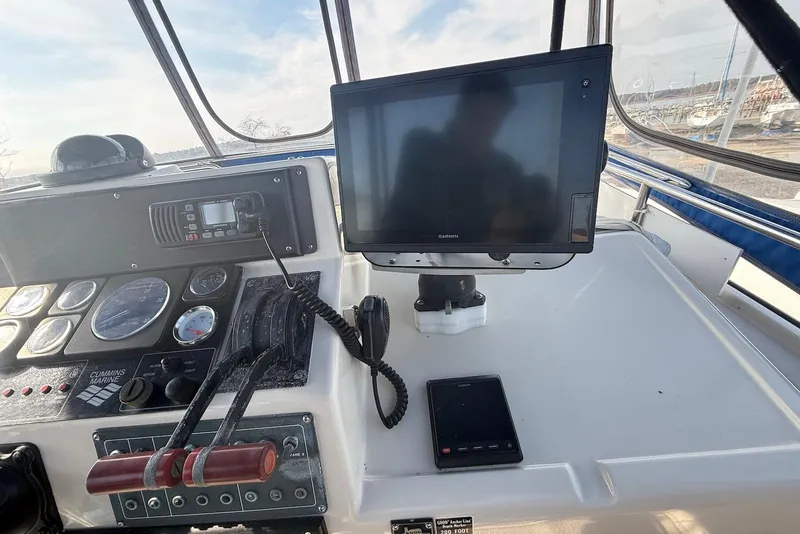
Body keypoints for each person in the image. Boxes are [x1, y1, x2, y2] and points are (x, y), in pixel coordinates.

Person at [382, 72, 555, 244]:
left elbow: (527, 233)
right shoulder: (420, 145)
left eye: (492, 122)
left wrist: (536, 220)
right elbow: (402, 216)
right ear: (460, 109)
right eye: (476, 116)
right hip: (404, 247)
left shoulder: (508, 169)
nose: (482, 129)